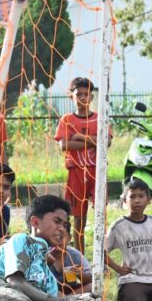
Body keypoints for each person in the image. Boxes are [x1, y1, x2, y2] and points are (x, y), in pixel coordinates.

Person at [54, 77, 111, 254]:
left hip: (97, 171)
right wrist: (93, 142)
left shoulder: (100, 118)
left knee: (100, 215)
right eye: (79, 94)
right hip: (76, 172)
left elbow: (106, 142)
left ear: (92, 97)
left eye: (86, 94)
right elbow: (64, 145)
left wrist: (80, 138)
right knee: (78, 219)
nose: (83, 98)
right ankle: (80, 258)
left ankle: (100, 256)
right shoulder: (67, 119)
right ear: (72, 97)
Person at [48, 223, 92, 296]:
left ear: (69, 238)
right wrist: (44, 263)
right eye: (55, 237)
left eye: (61, 237)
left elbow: (91, 278)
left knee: (92, 286)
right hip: (51, 290)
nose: (58, 240)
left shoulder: (74, 254)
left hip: (72, 291)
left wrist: (79, 274)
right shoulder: (45, 254)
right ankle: (65, 300)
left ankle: (66, 299)